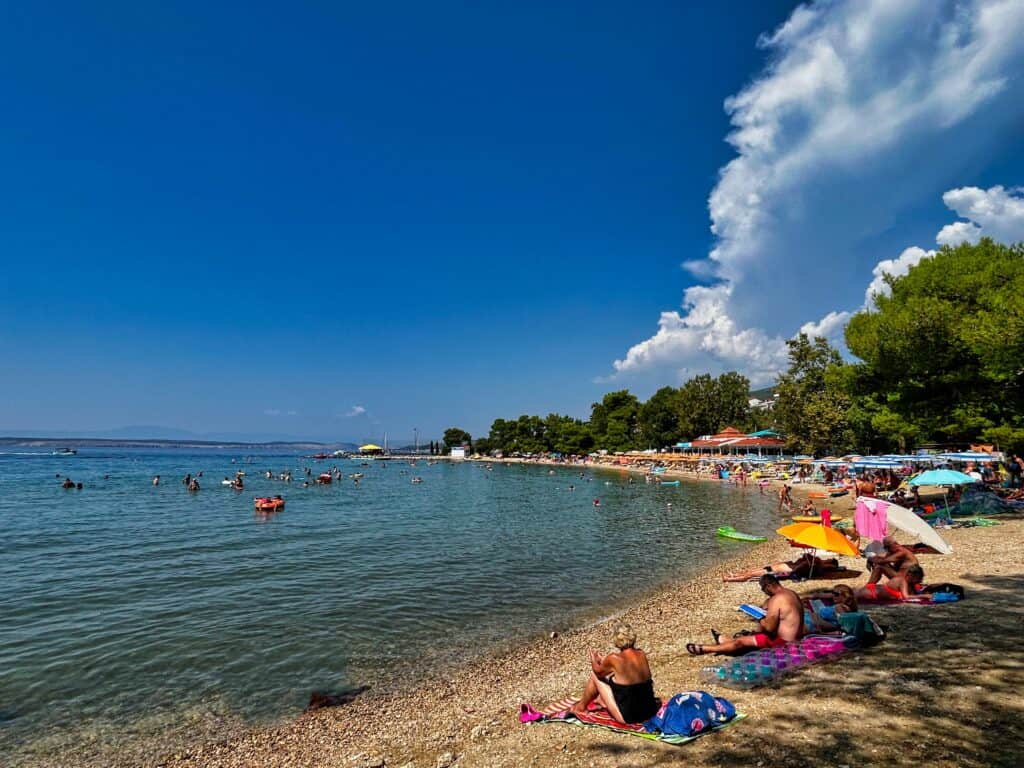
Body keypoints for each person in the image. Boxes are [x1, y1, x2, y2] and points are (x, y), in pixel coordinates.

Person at [688, 574, 804, 654]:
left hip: (783, 642)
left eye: (763, 589)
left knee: (740, 642)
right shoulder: (792, 593)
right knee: (751, 636)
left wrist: (759, 617)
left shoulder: (776, 599)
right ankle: (724, 640)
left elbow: (769, 628)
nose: (764, 592)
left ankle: (705, 649)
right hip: (796, 637)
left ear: (768, 586)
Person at [570, 624, 660, 724]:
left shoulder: (614, 658)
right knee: (620, 682)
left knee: (595, 676)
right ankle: (601, 700)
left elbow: (598, 673)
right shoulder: (641, 653)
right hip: (649, 711)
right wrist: (605, 662)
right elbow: (624, 668)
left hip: (630, 717)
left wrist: (593, 660)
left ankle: (580, 707)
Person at [722, 552, 840, 582]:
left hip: (775, 571)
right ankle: (735, 575)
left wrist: (810, 560)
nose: (827, 559)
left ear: (829, 564)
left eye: (829, 560)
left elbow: (798, 567)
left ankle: (730, 579)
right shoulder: (815, 561)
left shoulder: (816, 564)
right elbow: (801, 559)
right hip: (775, 567)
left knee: (751, 575)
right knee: (750, 571)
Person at [856, 564, 925, 602]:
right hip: (871, 592)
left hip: (873, 590)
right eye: (918, 578)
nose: (919, 580)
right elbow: (906, 597)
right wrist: (925, 596)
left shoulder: (910, 584)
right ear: (912, 575)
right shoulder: (902, 581)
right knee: (849, 596)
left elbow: (914, 593)